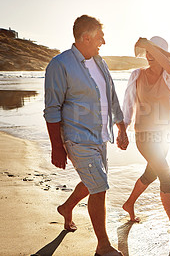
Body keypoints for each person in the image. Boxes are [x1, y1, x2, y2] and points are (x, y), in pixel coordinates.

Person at [44, 15, 128, 256]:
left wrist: (120, 126)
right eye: (100, 37)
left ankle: (66, 207)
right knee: (99, 187)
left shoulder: (100, 62)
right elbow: (52, 108)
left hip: (100, 136)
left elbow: (110, 96)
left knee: (95, 182)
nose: (104, 41)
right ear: (86, 37)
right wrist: (57, 147)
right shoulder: (60, 65)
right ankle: (102, 245)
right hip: (77, 137)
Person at [120, 36, 170, 242]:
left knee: (150, 174)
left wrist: (150, 45)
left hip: (165, 135)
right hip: (144, 135)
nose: (150, 56)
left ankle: (129, 204)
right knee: (166, 176)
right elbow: (128, 105)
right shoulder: (137, 75)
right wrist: (122, 130)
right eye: (148, 53)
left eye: (155, 53)